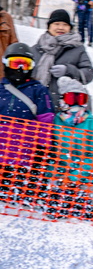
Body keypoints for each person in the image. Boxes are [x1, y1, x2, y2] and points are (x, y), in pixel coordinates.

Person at [0, 43, 55, 203]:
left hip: (23, 154)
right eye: (15, 63)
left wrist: (44, 148)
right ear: (6, 64)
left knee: (16, 192)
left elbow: (45, 120)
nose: (20, 69)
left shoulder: (38, 90)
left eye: (25, 64)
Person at [46, 77, 93, 220]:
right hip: (60, 178)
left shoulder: (92, 126)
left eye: (81, 99)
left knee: (83, 210)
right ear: (63, 101)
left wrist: (74, 178)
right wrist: (55, 176)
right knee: (57, 210)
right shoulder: (55, 123)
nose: (77, 104)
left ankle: (86, 201)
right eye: (72, 98)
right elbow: (52, 152)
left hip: (87, 178)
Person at [33, 9, 93, 104]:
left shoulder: (77, 48)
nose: (61, 28)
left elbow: (89, 74)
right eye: (56, 24)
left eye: (65, 25)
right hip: (37, 103)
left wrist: (68, 70)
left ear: (70, 28)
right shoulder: (36, 48)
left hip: (65, 105)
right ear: (49, 26)